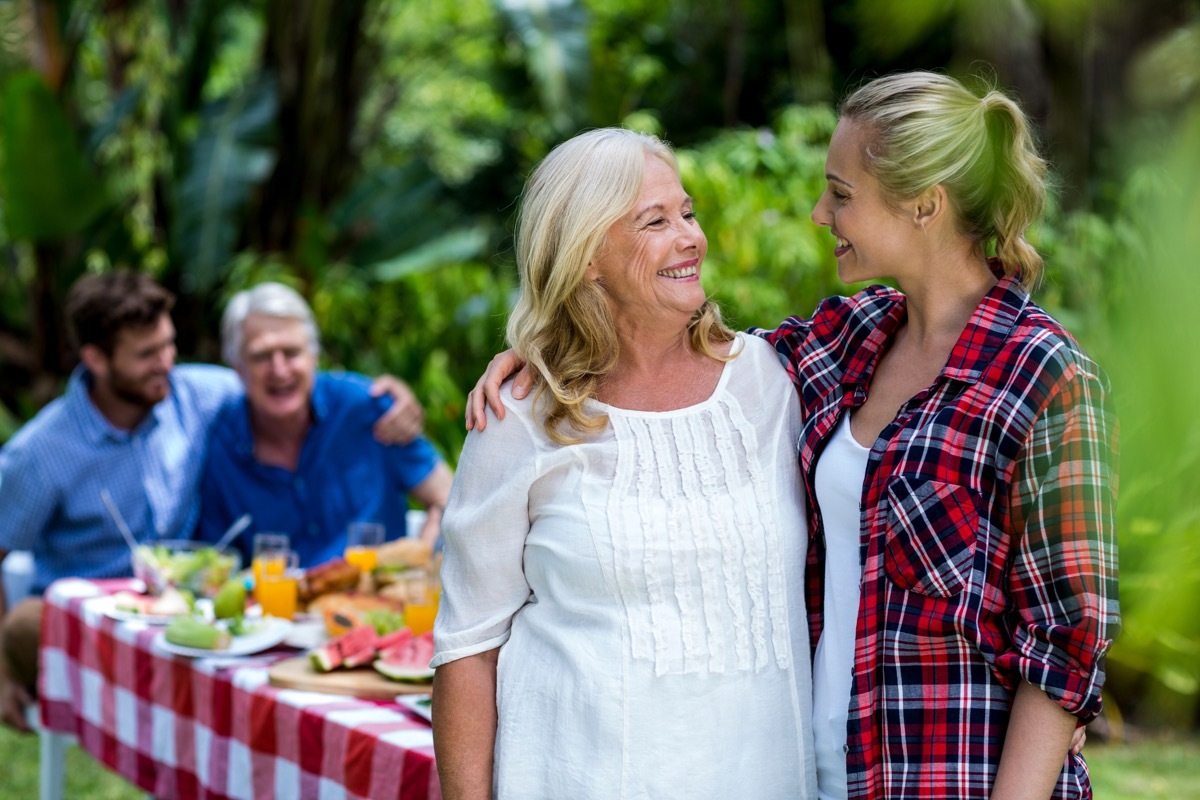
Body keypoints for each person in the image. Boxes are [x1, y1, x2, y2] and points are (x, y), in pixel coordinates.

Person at [467, 72, 1117, 800]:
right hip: (823, 775)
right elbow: (670, 357)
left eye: (841, 194)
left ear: (924, 205)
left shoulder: (1045, 375)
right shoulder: (846, 343)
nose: (818, 212)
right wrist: (547, 345)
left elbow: (1066, 645)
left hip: (951, 779)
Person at [432, 128, 817, 799]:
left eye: (688, 213)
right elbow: (467, 646)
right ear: (585, 257)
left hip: (768, 777)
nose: (691, 237)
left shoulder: (772, 382)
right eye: (655, 221)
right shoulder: (519, 417)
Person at [0, 270, 424, 732]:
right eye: (147, 355)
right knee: (26, 623)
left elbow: (289, 381)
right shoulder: (42, 452)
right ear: (96, 359)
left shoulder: (196, 393)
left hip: (186, 623)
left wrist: (386, 397)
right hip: (90, 627)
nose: (166, 363)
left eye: (168, 345)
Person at [195, 282, 452, 567]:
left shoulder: (366, 407)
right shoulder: (223, 447)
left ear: (314, 356)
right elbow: (215, 562)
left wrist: (418, 561)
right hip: (276, 610)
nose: (279, 370)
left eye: (291, 352)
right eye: (261, 357)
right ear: (237, 367)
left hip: (378, 605)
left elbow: (449, 499)